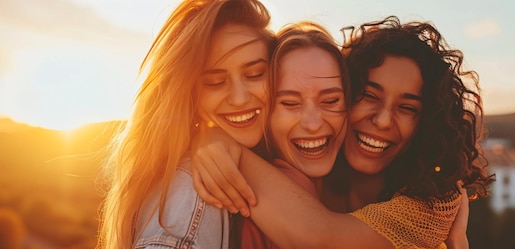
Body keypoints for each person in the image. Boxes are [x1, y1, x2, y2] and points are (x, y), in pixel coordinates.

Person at [191, 16, 493, 248]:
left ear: (425, 123)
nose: (384, 120)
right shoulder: (303, 171)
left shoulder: (433, 202)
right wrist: (211, 135)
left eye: (408, 108)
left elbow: (319, 236)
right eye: (370, 95)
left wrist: (224, 148)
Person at [97, 0, 275, 248]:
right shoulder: (194, 193)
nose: (239, 97)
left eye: (255, 74)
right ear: (190, 95)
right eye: (214, 82)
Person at [237, 21, 350, 249]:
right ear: (264, 113)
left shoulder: (349, 191)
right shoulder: (258, 213)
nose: (312, 123)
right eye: (289, 103)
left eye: (330, 101)